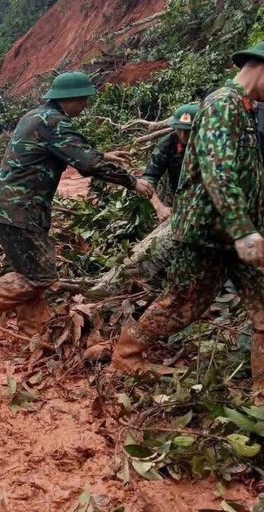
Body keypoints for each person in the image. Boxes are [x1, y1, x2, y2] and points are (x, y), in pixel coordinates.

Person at [112, 42, 264, 394]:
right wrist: (244, 230)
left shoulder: (245, 109)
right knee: (181, 304)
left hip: (237, 234)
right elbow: (218, 171)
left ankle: (260, 391)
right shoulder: (222, 105)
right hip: (207, 235)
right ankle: (127, 354)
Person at [0, 71, 154, 336]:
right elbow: (86, 163)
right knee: (41, 274)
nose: (85, 105)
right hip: (21, 210)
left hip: (11, 209)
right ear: (69, 98)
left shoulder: (36, 116)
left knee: (28, 272)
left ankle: (31, 332)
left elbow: (66, 150)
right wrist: (133, 182)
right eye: (83, 99)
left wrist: (104, 154)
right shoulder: (54, 121)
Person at [141, 103, 198, 222]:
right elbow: (148, 180)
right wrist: (159, 207)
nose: (183, 135)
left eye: (188, 131)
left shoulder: (213, 141)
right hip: (177, 200)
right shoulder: (167, 144)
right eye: (179, 129)